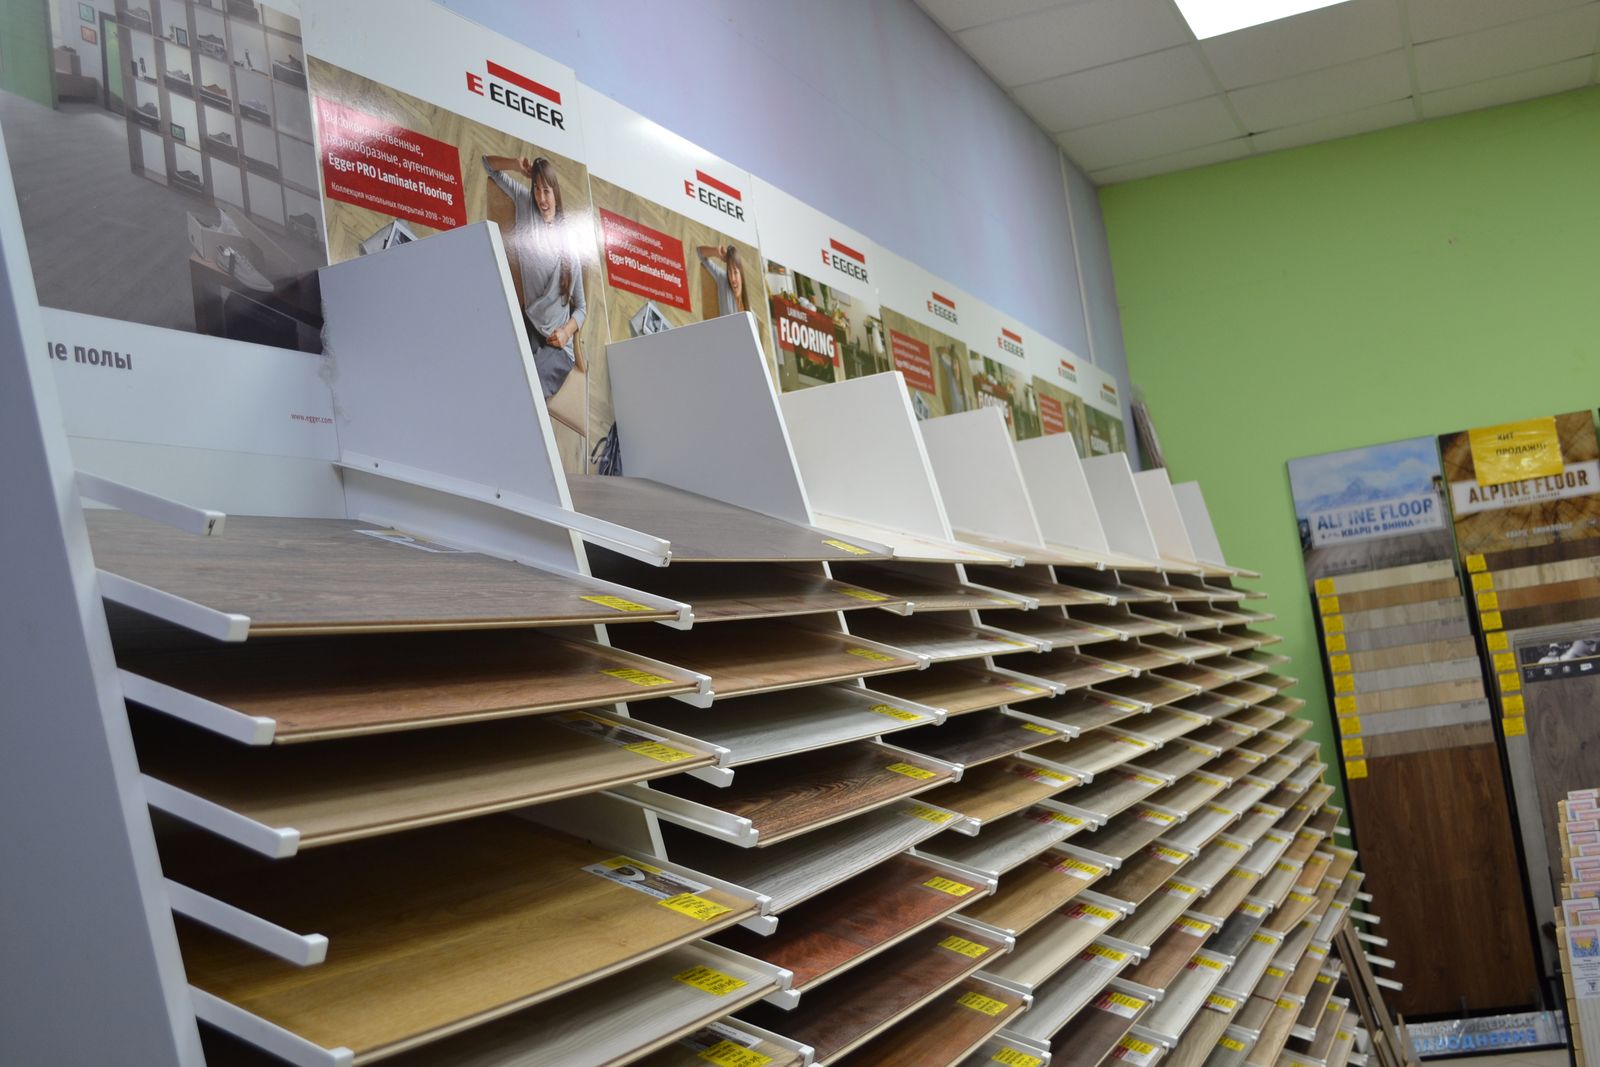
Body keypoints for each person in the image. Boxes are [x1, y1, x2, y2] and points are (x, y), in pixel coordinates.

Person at [482, 154, 586, 398]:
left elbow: (582, 308)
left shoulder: (570, 242)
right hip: (529, 324)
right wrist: (515, 165)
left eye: (547, 191)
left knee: (525, 390)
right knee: (499, 369)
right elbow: (488, 165)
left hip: (556, 345)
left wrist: (566, 332)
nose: (541, 198)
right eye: (536, 189)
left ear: (556, 193)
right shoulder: (525, 204)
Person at [696, 243, 751, 318]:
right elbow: (699, 252)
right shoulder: (724, 280)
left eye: (735, 272)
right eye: (729, 271)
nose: (732, 278)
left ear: (741, 274)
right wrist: (716, 252)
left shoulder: (749, 309)